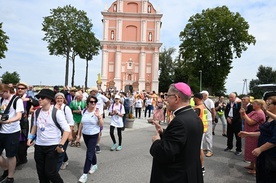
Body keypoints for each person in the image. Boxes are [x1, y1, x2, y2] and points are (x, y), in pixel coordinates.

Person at [150, 82, 203, 183]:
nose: (166, 99)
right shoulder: (194, 116)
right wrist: (164, 132)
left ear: (176, 98)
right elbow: (184, 140)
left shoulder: (180, 121)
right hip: (190, 173)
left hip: (177, 176)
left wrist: (156, 141)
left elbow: (164, 153)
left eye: (168, 96)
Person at [27, 89, 70, 183]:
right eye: (38, 98)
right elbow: (35, 125)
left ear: (50, 99)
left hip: (53, 146)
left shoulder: (57, 113)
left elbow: (67, 130)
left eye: (42, 98)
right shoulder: (37, 112)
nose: (39, 99)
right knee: (41, 174)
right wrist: (30, 137)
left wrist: (61, 145)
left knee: (50, 173)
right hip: (39, 146)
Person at [239, 96, 276, 182]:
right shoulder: (268, 118)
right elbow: (263, 132)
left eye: (269, 104)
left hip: (271, 154)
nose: (266, 105)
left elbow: (274, 139)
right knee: (261, 175)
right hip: (263, 153)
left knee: (269, 177)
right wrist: (248, 134)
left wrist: (260, 149)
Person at [76, 96, 104, 183]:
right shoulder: (84, 111)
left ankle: (84, 174)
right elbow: (81, 123)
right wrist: (78, 134)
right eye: (91, 102)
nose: (93, 103)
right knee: (90, 150)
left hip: (94, 135)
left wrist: (99, 117)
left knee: (89, 153)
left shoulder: (97, 111)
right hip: (85, 134)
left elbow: (101, 125)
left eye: (95, 102)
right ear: (88, 102)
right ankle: (94, 164)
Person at [0, 84, 24, 183]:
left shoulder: (17, 100)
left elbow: (19, 116)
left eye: (2, 94)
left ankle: (10, 176)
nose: (1, 96)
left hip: (12, 131)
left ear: (7, 91)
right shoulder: (1, 100)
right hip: (1, 130)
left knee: (10, 154)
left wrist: (8, 121)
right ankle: (6, 170)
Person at [15, 82, 39, 167]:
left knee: (23, 140)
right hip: (14, 122)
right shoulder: (14, 97)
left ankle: (22, 157)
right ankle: (18, 158)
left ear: (25, 90)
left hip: (24, 123)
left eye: (22, 88)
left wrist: (29, 100)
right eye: (19, 88)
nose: (20, 90)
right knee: (15, 141)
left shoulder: (28, 98)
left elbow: (37, 103)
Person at [239, 99, 266, 175]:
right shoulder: (254, 112)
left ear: (259, 105)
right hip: (250, 134)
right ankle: (251, 165)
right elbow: (244, 119)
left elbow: (250, 122)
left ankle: (256, 169)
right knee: (250, 150)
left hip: (254, 134)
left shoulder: (260, 113)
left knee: (254, 151)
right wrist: (242, 113)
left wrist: (244, 114)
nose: (253, 105)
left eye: (254, 103)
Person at [54, 92, 74, 171]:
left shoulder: (66, 108)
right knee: (59, 148)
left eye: (61, 98)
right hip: (55, 133)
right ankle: (65, 160)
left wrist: (70, 134)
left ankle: (55, 172)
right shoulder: (53, 108)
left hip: (65, 132)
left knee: (60, 151)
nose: (59, 100)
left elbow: (70, 122)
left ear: (63, 99)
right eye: (58, 98)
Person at [89, 87, 110, 154]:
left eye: (91, 91)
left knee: (99, 130)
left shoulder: (101, 96)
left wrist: (105, 107)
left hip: (99, 115)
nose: (90, 92)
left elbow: (108, 101)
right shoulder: (90, 97)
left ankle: (97, 144)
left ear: (94, 91)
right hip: (92, 115)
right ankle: (92, 143)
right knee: (92, 129)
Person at [193, 93, 209, 176]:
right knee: (200, 148)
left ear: (196, 98)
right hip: (203, 129)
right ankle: (200, 167)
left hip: (199, 130)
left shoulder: (198, 108)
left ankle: (201, 167)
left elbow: (193, 118)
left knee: (199, 149)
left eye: (194, 98)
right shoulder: (203, 106)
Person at [201, 90, 215, 157]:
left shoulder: (210, 101)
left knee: (208, 135)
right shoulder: (202, 101)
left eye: (202, 94)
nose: (201, 96)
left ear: (206, 95)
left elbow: (213, 110)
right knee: (203, 134)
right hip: (203, 119)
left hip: (208, 119)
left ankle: (210, 150)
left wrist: (213, 119)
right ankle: (207, 148)